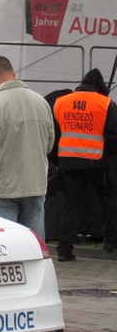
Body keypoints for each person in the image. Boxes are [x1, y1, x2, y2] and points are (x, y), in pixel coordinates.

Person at [0, 56, 55, 238]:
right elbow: (49, 144)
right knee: (33, 245)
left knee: (4, 245)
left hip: (1, 188)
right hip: (34, 185)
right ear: (13, 74)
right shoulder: (41, 103)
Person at [52, 68, 117, 261]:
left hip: (69, 161)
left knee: (71, 205)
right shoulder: (106, 103)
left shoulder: (61, 102)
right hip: (97, 161)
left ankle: (64, 250)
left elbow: (54, 135)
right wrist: (108, 152)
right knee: (108, 199)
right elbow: (114, 135)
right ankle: (111, 240)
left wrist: (57, 160)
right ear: (99, 87)